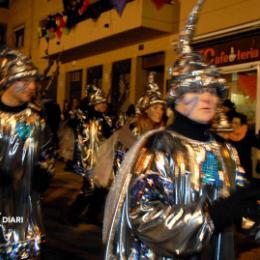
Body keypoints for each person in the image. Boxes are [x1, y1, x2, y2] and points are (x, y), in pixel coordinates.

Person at [103, 0, 260, 259]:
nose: (207, 97)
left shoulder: (225, 151)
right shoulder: (157, 147)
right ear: (176, 99)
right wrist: (211, 217)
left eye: (212, 91)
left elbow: (239, 203)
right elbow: (142, 216)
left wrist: (250, 212)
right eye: (196, 90)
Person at [0, 47, 55, 259]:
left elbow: (48, 149)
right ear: (8, 80)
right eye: (25, 80)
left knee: (24, 250)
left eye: (34, 81)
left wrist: (45, 172)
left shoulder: (36, 118)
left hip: (26, 204)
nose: (32, 87)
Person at [67, 84, 114, 225]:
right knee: (89, 188)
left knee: (102, 188)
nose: (104, 105)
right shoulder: (85, 119)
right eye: (101, 103)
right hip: (89, 159)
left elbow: (110, 136)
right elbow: (74, 129)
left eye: (105, 102)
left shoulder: (107, 119)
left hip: (104, 159)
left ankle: (92, 215)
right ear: (94, 104)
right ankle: (72, 214)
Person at [228, 112, 260, 181]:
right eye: (232, 122)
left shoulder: (248, 135)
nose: (233, 125)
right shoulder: (228, 135)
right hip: (231, 167)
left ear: (242, 125)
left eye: (236, 123)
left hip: (245, 168)